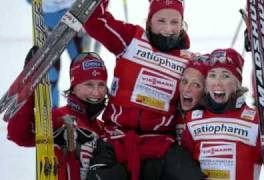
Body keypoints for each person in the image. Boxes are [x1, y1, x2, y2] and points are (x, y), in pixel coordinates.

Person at [83, 0, 204, 180]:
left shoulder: (189, 61)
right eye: (161, 21)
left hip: (160, 144)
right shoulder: (130, 39)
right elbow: (93, 21)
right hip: (116, 138)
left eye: (174, 22)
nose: (168, 29)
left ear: (182, 23)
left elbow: (211, 83)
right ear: (149, 20)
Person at [181, 48, 264, 180]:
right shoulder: (192, 120)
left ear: (237, 84)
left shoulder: (256, 121)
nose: (217, 82)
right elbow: (180, 169)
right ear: (206, 84)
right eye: (212, 75)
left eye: (225, 76)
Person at [7, 51, 108, 180]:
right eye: (88, 84)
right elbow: (19, 134)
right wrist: (29, 86)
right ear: (74, 86)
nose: (96, 92)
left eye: (101, 84)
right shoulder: (59, 118)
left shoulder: (104, 129)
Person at [26, 0, 89, 108]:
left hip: (73, 17)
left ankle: (83, 111)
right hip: (48, 19)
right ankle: (52, 113)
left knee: (84, 71)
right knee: (50, 75)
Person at [176, 59, 207, 144]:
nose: (186, 89)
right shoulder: (171, 110)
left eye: (195, 84)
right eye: (184, 81)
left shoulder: (210, 119)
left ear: (205, 91)